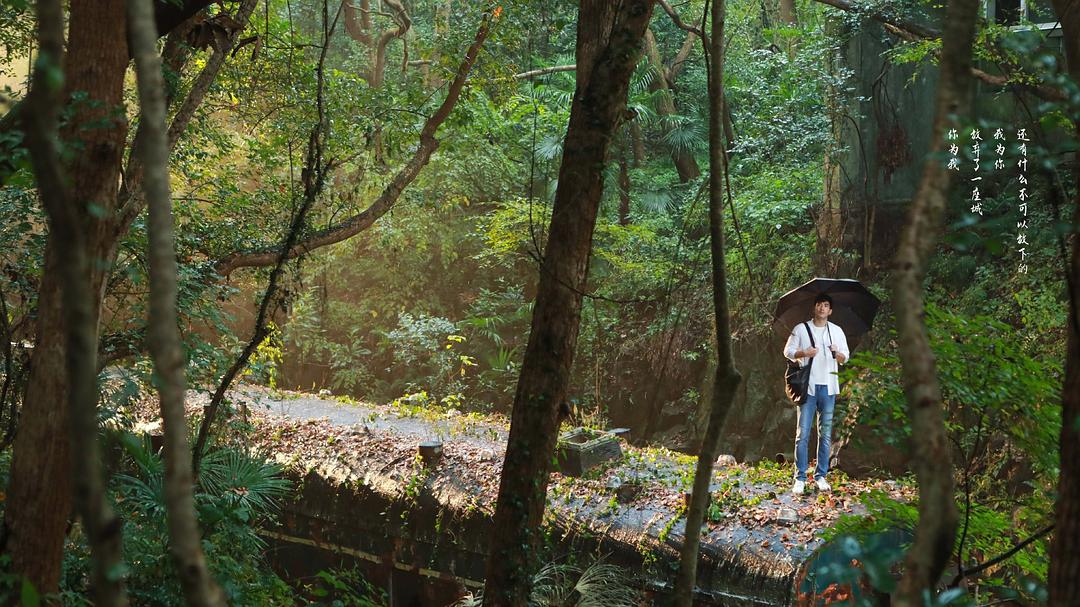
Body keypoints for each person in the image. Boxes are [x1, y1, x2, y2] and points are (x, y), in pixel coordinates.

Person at [783, 293, 849, 495]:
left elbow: (845, 358)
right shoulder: (801, 329)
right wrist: (805, 353)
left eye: (826, 305)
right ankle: (800, 478)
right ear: (814, 308)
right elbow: (787, 351)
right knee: (802, 434)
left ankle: (821, 476)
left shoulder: (836, 331)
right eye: (819, 304)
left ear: (830, 311)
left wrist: (836, 353)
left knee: (826, 435)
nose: (822, 308)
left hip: (828, 388)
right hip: (808, 388)